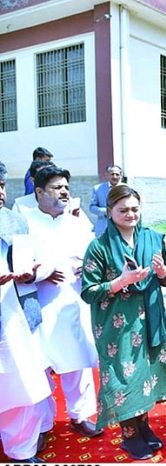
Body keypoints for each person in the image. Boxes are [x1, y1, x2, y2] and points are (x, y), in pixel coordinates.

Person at [80, 185, 166, 460]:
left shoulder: (151, 238)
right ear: (110, 212)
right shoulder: (98, 247)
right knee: (123, 377)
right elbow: (88, 291)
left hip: (150, 316)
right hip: (117, 324)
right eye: (122, 210)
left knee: (144, 374)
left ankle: (144, 428)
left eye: (135, 209)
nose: (130, 214)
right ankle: (130, 435)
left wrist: (162, 273)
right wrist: (120, 281)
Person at [22, 165, 102, 439]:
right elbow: (17, 262)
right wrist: (40, 274)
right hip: (39, 304)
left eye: (66, 187)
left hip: (74, 301)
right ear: (39, 192)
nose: (64, 192)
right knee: (40, 365)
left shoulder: (78, 223)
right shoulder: (26, 222)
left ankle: (80, 416)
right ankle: (43, 425)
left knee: (77, 360)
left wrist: (89, 268)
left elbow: (95, 255)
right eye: (57, 187)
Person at [0, 161, 53, 463]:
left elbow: (42, 261)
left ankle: (20, 451)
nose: (0, 192)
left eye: (2, 185)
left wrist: (32, 274)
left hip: (18, 314)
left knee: (20, 383)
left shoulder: (15, 221)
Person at [89, 165, 123, 237]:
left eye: (117, 174)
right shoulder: (98, 189)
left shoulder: (126, 188)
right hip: (103, 227)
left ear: (120, 176)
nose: (114, 177)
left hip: (121, 226)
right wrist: (105, 211)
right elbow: (92, 207)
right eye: (112, 174)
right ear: (107, 175)